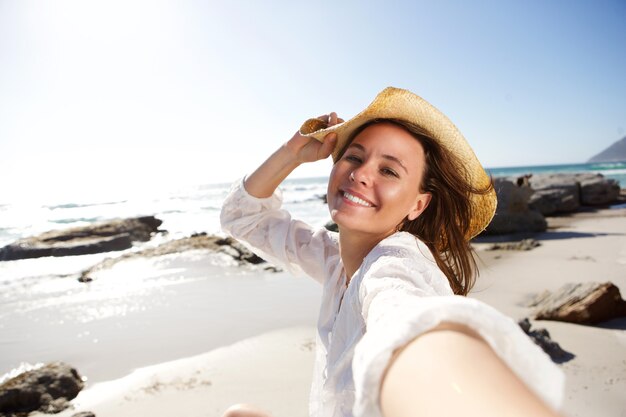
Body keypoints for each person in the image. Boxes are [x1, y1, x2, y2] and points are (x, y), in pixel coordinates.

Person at [220, 87, 564, 417]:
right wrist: (292, 153)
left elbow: (404, 317)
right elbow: (244, 217)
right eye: (354, 156)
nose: (361, 174)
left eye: (389, 170)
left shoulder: (395, 265)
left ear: (418, 204)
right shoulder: (333, 257)